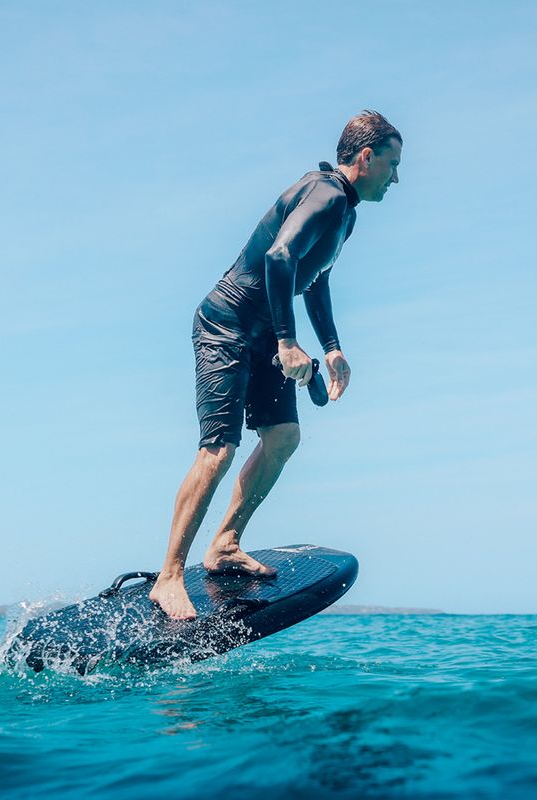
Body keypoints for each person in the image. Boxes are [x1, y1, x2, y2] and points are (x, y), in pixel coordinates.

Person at [149, 110, 403, 619]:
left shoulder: (345, 213)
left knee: (284, 437)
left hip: (265, 332)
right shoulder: (327, 194)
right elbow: (280, 257)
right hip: (227, 325)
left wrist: (330, 346)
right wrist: (289, 342)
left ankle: (224, 544)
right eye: (392, 165)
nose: (396, 179)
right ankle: (169, 575)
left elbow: (316, 275)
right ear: (366, 157)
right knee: (217, 451)